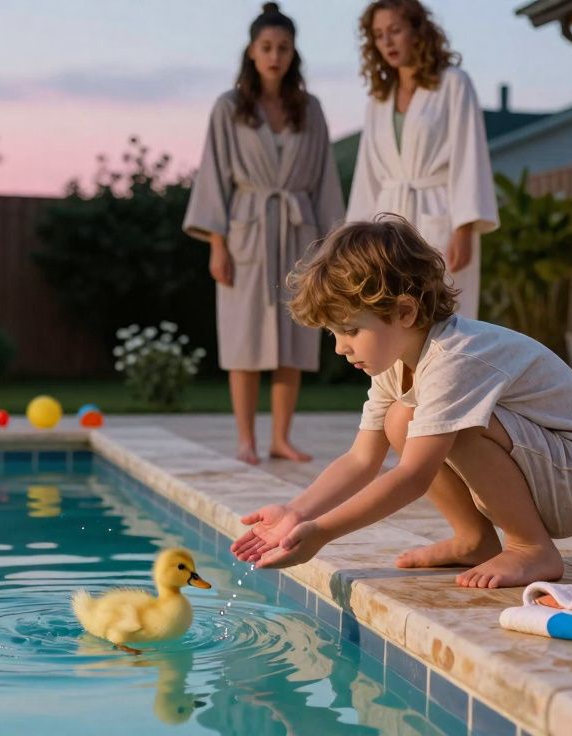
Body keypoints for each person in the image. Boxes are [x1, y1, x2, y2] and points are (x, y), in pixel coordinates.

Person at [231, 217, 572, 588]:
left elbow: (414, 476)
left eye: (350, 329)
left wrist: (323, 532)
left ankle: (531, 548)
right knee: (402, 419)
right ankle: (474, 540)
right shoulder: (396, 359)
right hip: (545, 467)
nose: (340, 347)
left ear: (404, 311)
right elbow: (360, 460)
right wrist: (298, 514)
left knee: (456, 425)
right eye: (333, 333)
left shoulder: (455, 358)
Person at [184, 2, 346, 465]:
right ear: (251, 52)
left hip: (299, 230)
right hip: (246, 234)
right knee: (243, 339)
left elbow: (325, 181)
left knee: (295, 337)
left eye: (284, 48)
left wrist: (330, 247)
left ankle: (280, 437)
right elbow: (214, 175)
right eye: (267, 47)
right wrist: (216, 243)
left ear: (294, 54)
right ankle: (246, 441)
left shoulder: (309, 109)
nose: (275, 55)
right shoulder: (229, 107)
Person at [347, 0, 497, 320]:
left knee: (440, 315)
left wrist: (465, 228)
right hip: (387, 222)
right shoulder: (379, 98)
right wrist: (356, 238)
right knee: (388, 317)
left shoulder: (453, 83)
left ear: (418, 31)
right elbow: (368, 174)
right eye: (378, 34)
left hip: (438, 213)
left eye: (395, 30)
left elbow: (470, 154)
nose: (386, 41)